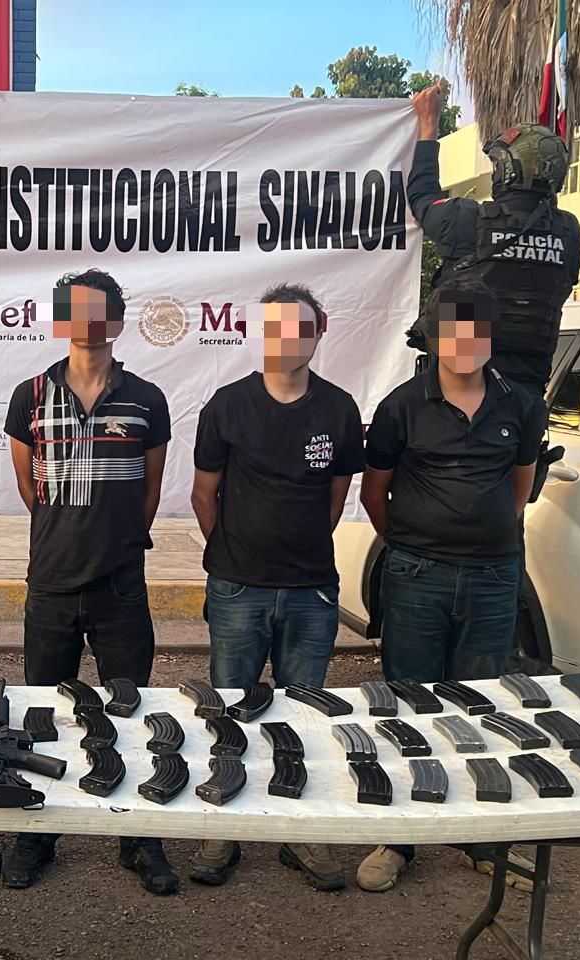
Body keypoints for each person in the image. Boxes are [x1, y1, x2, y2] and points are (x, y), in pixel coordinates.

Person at [356, 278, 544, 893]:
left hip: (493, 579)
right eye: (452, 329)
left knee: (481, 705)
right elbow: (375, 492)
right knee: (409, 704)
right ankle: (402, 837)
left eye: (476, 329)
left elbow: (519, 488)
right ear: (434, 337)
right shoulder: (401, 407)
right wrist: (414, 543)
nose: (464, 341)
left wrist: (483, 538)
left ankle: (477, 837)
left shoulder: (521, 405)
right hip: (417, 577)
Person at [3, 268, 176, 895]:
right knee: (44, 715)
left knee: (129, 712)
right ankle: (38, 832)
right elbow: (31, 489)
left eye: (99, 310)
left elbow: (149, 491)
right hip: (51, 583)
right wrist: (69, 535)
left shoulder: (146, 398)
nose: (87, 322)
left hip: (121, 586)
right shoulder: (29, 395)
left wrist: (114, 540)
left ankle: (139, 837)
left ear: (117, 322)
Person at [187, 283, 365, 889]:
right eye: (276, 328)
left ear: (319, 332)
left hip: (312, 590)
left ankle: (299, 831)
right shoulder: (227, 406)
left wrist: (298, 550)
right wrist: (234, 556)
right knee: (229, 711)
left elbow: (336, 497)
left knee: (304, 715)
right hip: (239, 588)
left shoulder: (339, 409)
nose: (288, 339)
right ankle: (222, 828)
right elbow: (204, 495)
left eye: (300, 328)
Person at [407, 82, 580, 399]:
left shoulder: (467, 221)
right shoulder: (569, 234)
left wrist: (428, 125)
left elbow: (421, 197)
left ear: (508, 171)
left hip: (458, 395)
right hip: (526, 400)